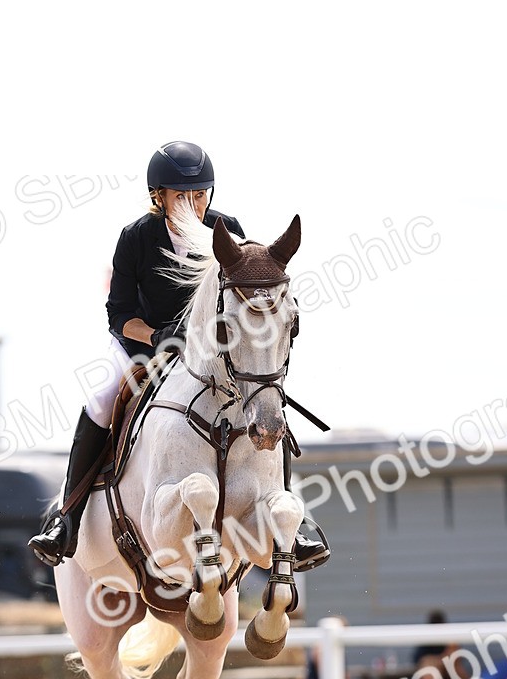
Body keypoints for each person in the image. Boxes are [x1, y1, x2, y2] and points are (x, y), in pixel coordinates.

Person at [29, 140, 331, 571]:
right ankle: (68, 520)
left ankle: (293, 523)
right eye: (181, 195)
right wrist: (157, 336)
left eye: (200, 194)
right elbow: (119, 315)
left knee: (266, 402)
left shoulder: (226, 230)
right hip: (144, 346)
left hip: (211, 352)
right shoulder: (136, 238)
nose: (192, 203)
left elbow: (246, 297)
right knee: (100, 398)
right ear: (159, 197)